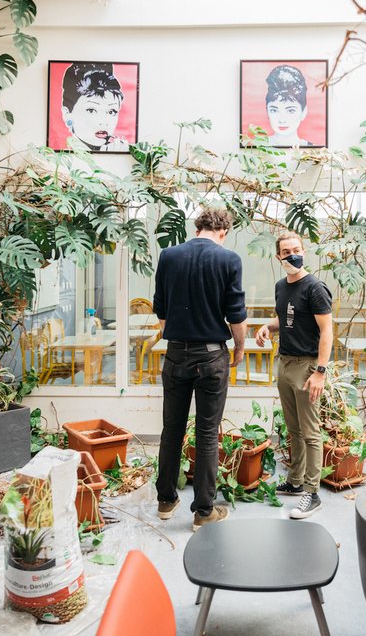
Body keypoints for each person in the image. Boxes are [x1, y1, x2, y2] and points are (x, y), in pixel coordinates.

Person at [153, 207, 248, 531]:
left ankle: (166, 500)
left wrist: (179, 335)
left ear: (198, 228)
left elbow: (161, 312)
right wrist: (238, 348)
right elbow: (236, 315)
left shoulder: (169, 256)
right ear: (223, 231)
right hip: (211, 358)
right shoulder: (228, 259)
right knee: (207, 433)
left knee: (172, 429)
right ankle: (203, 511)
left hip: (176, 354)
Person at [254, 231, 333, 519]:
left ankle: (312, 494)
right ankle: (296, 482)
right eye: (286, 252)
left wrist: (320, 372)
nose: (292, 255)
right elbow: (287, 316)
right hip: (285, 363)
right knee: (294, 429)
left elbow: (327, 331)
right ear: (279, 257)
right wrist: (268, 327)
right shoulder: (281, 286)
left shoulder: (315, 287)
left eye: (296, 250)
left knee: (311, 433)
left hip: (307, 366)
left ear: (304, 251)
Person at [60, 62, 129, 152]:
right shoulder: (60, 159)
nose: (104, 121)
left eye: (112, 111)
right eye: (91, 110)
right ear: (67, 115)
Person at [265, 65, 314, 147]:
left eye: (291, 110)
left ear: (304, 112)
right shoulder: (257, 148)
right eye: (274, 110)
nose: (282, 120)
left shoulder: (314, 151)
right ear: (267, 112)